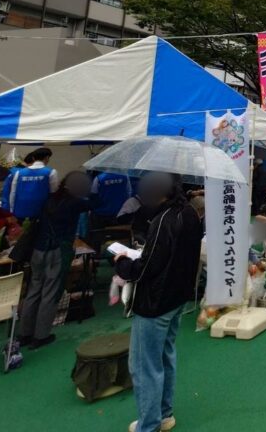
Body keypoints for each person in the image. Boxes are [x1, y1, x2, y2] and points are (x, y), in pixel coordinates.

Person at [113, 172, 200, 432]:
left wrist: (123, 264)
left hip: (156, 301)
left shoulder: (163, 220)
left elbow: (148, 267)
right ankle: (164, 414)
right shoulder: (189, 213)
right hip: (178, 297)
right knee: (165, 355)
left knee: (144, 365)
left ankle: (149, 425)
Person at [20, 171, 91, 349]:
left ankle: (24, 333)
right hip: (57, 250)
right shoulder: (75, 202)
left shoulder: (49, 199)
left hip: (38, 249)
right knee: (50, 292)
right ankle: (41, 335)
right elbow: (97, 203)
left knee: (34, 290)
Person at [1, 148, 58, 220]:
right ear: (47, 158)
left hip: (19, 209)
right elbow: (53, 191)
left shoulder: (19, 173)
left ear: (33, 158)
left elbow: (13, 193)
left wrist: (11, 210)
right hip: (40, 210)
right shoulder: (51, 172)